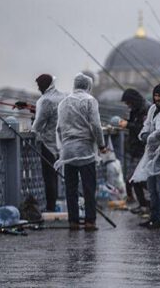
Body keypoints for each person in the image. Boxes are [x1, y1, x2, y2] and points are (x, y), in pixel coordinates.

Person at [55, 73, 106, 231]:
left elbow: (58, 128)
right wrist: (102, 144)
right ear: (88, 86)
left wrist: (63, 146)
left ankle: (74, 222)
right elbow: (96, 126)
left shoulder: (63, 102)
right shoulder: (90, 101)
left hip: (68, 152)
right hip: (85, 151)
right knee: (88, 187)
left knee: (70, 188)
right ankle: (90, 221)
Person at [131, 84, 160, 229]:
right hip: (151, 155)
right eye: (155, 95)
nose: (157, 98)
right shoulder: (153, 109)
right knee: (152, 189)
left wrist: (149, 137)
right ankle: (154, 218)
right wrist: (144, 134)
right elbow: (147, 125)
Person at [31, 74, 66, 212]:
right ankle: (56, 205)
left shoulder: (45, 100)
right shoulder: (62, 97)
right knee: (57, 176)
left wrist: (33, 129)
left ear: (44, 85)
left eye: (39, 86)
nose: (38, 88)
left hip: (48, 144)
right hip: (62, 143)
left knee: (49, 178)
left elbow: (38, 125)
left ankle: (51, 208)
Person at [119, 88, 150, 215]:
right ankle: (143, 204)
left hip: (143, 148)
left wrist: (128, 125)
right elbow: (134, 124)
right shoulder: (136, 109)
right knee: (135, 179)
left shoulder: (146, 109)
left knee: (134, 178)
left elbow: (143, 129)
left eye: (128, 103)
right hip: (135, 148)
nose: (128, 106)